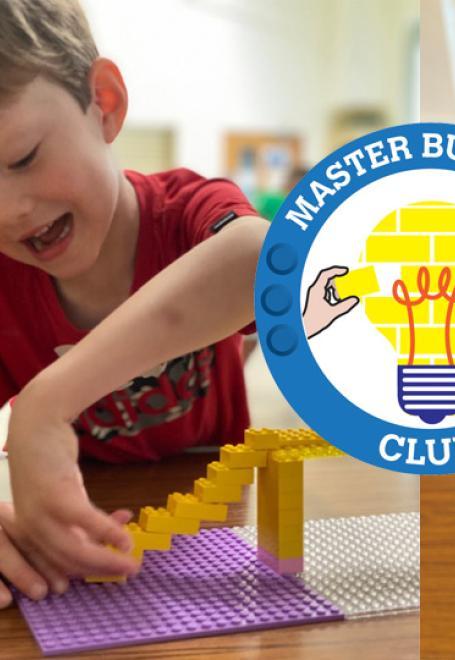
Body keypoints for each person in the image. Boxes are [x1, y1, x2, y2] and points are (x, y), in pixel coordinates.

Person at [0, 0, 353, 609]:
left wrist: (45, 405)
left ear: (104, 103)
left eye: (24, 158)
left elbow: (258, 259)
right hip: (93, 529)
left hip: (223, 517)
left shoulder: (187, 212)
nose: (9, 211)